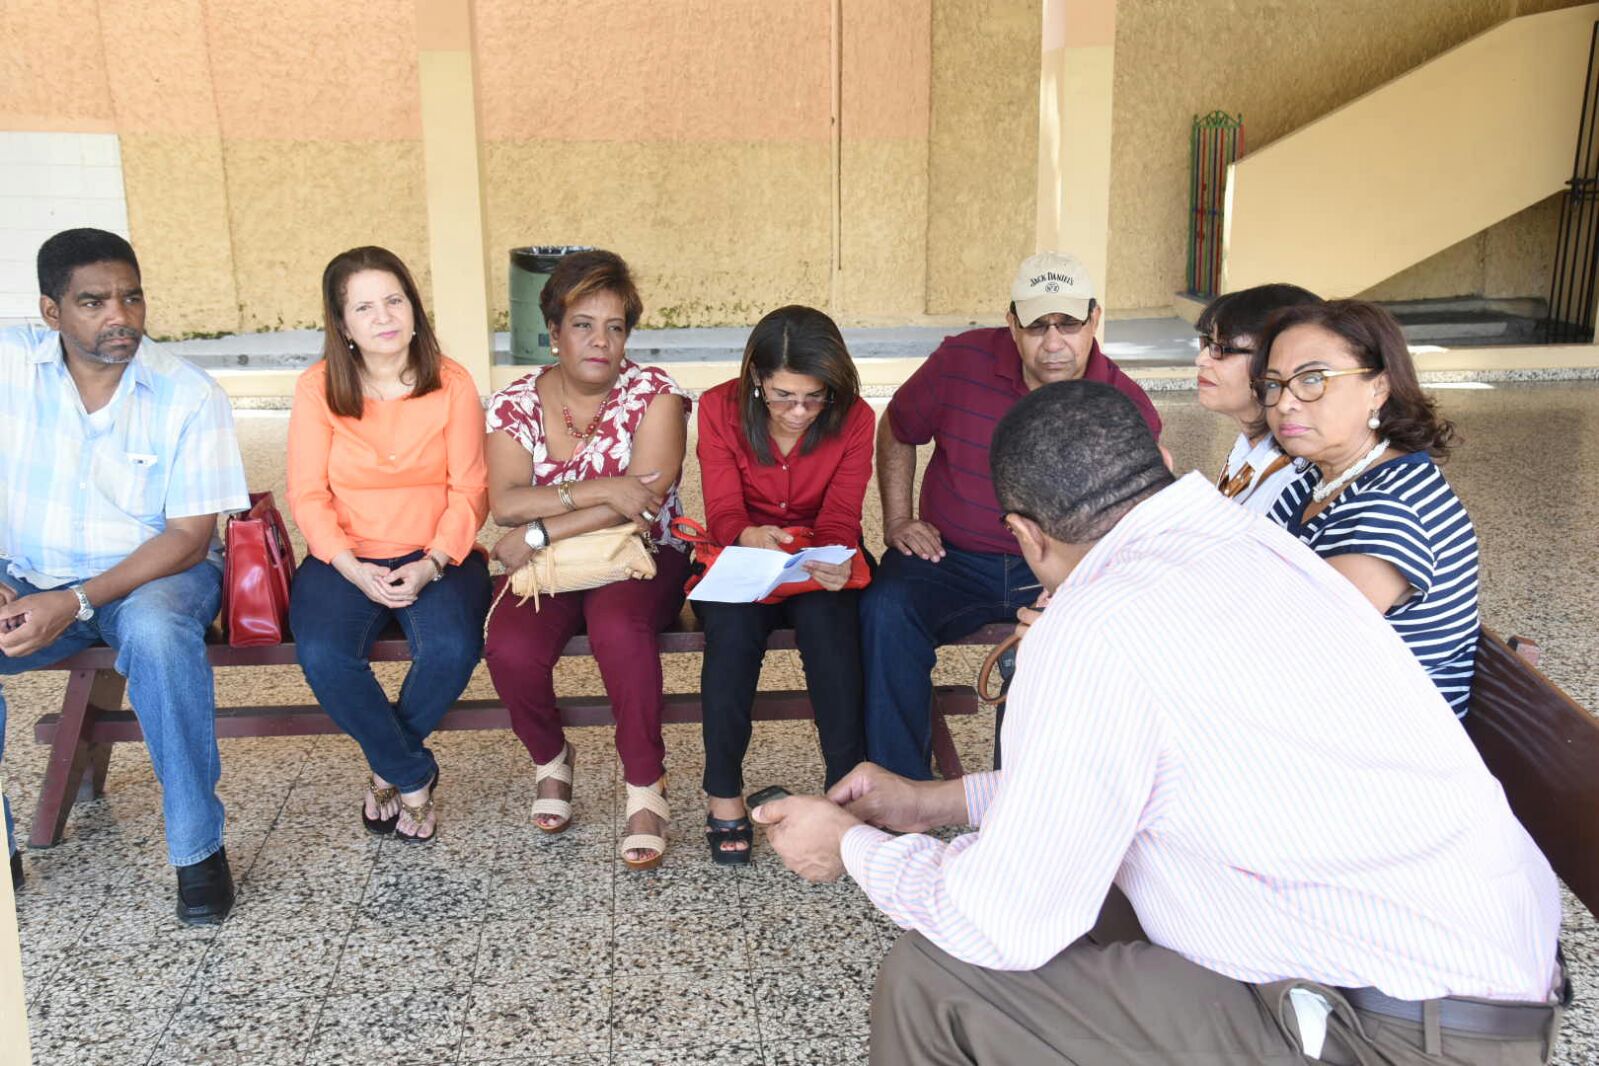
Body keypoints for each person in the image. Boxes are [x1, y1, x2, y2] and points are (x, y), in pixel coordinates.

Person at [756, 381, 1562, 1066]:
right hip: (1472, 983)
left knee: (936, 980)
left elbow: (1001, 921)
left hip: (1390, 1032)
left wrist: (851, 846)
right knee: (1091, 898)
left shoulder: (1092, 624)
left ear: (1025, 536)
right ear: (1166, 467)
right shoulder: (1256, 544)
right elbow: (1127, 779)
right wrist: (928, 805)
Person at [0, 229, 250, 922]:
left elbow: (187, 537)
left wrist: (72, 602)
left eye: (131, 296)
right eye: (93, 301)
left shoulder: (188, 394)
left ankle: (197, 850)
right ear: (51, 313)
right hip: (26, 568)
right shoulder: (8, 369)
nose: (120, 316)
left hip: (154, 574)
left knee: (159, 636)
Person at [862, 251, 1159, 780]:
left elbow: (1137, 524)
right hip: (951, 558)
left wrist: (1071, 580)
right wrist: (898, 520)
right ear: (1011, 323)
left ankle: (1020, 796)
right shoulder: (961, 363)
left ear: (1095, 321)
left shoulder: (1123, 402)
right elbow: (899, 428)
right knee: (886, 610)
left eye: (1068, 324)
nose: (1052, 342)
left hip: (1056, 571)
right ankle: (898, 788)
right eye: (1037, 325)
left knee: (1053, 644)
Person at [481, 249, 690, 871]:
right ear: (552, 333)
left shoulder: (656, 394)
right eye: (583, 324)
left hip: (643, 552)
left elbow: (645, 501)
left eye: (616, 326)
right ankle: (550, 758)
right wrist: (602, 487)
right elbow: (505, 502)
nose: (601, 341)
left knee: (619, 631)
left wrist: (543, 530)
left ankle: (646, 786)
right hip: (552, 565)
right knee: (510, 649)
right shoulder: (514, 403)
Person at [286, 246, 491, 844]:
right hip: (344, 555)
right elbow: (307, 492)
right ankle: (413, 772)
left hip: (438, 553)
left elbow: (470, 489)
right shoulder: (317, 388)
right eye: (365, 307)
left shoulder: (451, 383)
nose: (384, 317)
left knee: (453, 648)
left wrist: (431, 563)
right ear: (342, 323)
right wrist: (350, 566)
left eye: (394, 300)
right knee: (324, 655)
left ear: (414, 307)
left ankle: (385, 766)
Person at [693, 306, 873, 865]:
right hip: (745, 556)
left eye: (814, 397)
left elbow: (843, 515)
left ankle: (845, 794)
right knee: (730, 640)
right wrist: (749, 533)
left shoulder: (856, 418)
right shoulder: (719, 409)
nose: (799, 411)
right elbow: (722, 510)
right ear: (756, 380)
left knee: (834, 638)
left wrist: (834, 556)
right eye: (783, 396)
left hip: (817, 561)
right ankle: (724, 793)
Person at [1256, 300, 1480, 716]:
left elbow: (1301, 648)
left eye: (1312, 380)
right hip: (1321, 712)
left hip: (1385, 750)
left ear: (1379, 387)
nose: (1285, 403)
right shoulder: (1312, 480)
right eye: (1274, 384)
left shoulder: (1392, 506)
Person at [1194, 283, 1322, 514]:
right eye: (1206, 343)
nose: (1201, 360)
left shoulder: (1302, 478)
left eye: (1220, 348)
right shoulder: (1249, 444)